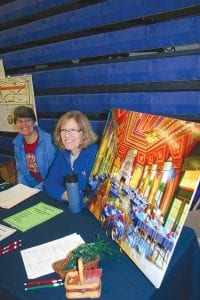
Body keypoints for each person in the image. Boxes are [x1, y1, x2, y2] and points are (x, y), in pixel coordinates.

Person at [44, 111, 98, 203]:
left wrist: (76, 198)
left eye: (73, 130)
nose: (67, 134)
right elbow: (49, 184)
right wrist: (65, 195)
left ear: (84, 132)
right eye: (63, 130)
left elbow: (95, 196)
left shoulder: (95, 154)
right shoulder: (62, 153)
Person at [13, 106, 57, 190]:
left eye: (28, 120)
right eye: (20, 121)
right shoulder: (17, 144)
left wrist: (35, 190)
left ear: (34, 122)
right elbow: (20, 170)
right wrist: (24, 189)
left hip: (51, 187)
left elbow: (54, 173)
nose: (24, 124)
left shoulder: (49, 141)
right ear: (15, 124)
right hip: (32, 189)